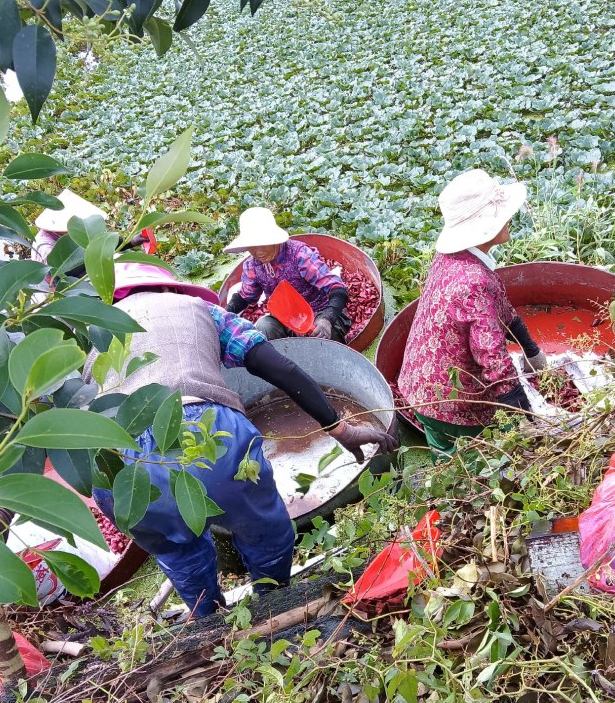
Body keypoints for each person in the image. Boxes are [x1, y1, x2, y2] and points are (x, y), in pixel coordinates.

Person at [86, 264, 396, 617]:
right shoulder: (198, 309)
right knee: (263, 530)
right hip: (199, 432)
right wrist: (340, 429)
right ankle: (275, 606)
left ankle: (210, 623)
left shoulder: (94, 336)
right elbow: (282, 369)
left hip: (115, 467)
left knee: (177, 553)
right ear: (169, 289)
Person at [397, 169, 547, 455]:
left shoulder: (453, 257)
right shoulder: (474, 281)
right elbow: (493, 359)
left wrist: (530, 350)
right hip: (450, 401)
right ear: (484, 227)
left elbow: (497, 307)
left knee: (443, 455)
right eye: (503, 214)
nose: (510, 218)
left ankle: (445, 473)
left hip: (421, 386)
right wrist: (524, 416)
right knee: (481, 459)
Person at [223, 207, 351, 342]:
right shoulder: (252, 266)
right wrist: (225, 312)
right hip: (287, 319)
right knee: (264, 326)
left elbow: (337, 288)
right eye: (252, 246)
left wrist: (327, 319)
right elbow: (245, 297)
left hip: (319, 312)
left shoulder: (300, 255)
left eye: (262, 243)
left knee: (323, 335)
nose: (259, 252)